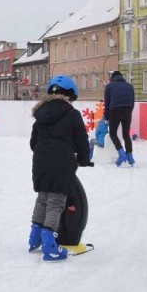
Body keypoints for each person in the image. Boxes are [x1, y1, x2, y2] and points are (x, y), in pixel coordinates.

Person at [28, 75, 92, 262]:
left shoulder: (40, 114)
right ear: (69, 95)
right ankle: (50, 247)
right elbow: (81, 140)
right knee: (56, 202)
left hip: (40, 162)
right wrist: (83, 159)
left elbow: (34, 142)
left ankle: (34, 238)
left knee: (43, 198)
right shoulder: (71, 114)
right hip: (62, 162)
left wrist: (44, 153)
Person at [104, 70, 135, 166]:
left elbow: (107, 102)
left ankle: (121, 153)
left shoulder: (109, 86)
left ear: (112, 78)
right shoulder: (130, 86)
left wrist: (106, 116)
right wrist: (129, 111)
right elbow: (133, 101)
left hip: (115, 111)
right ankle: (130, 156)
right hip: (127, 111)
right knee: (126, 135)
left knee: (113, 134)